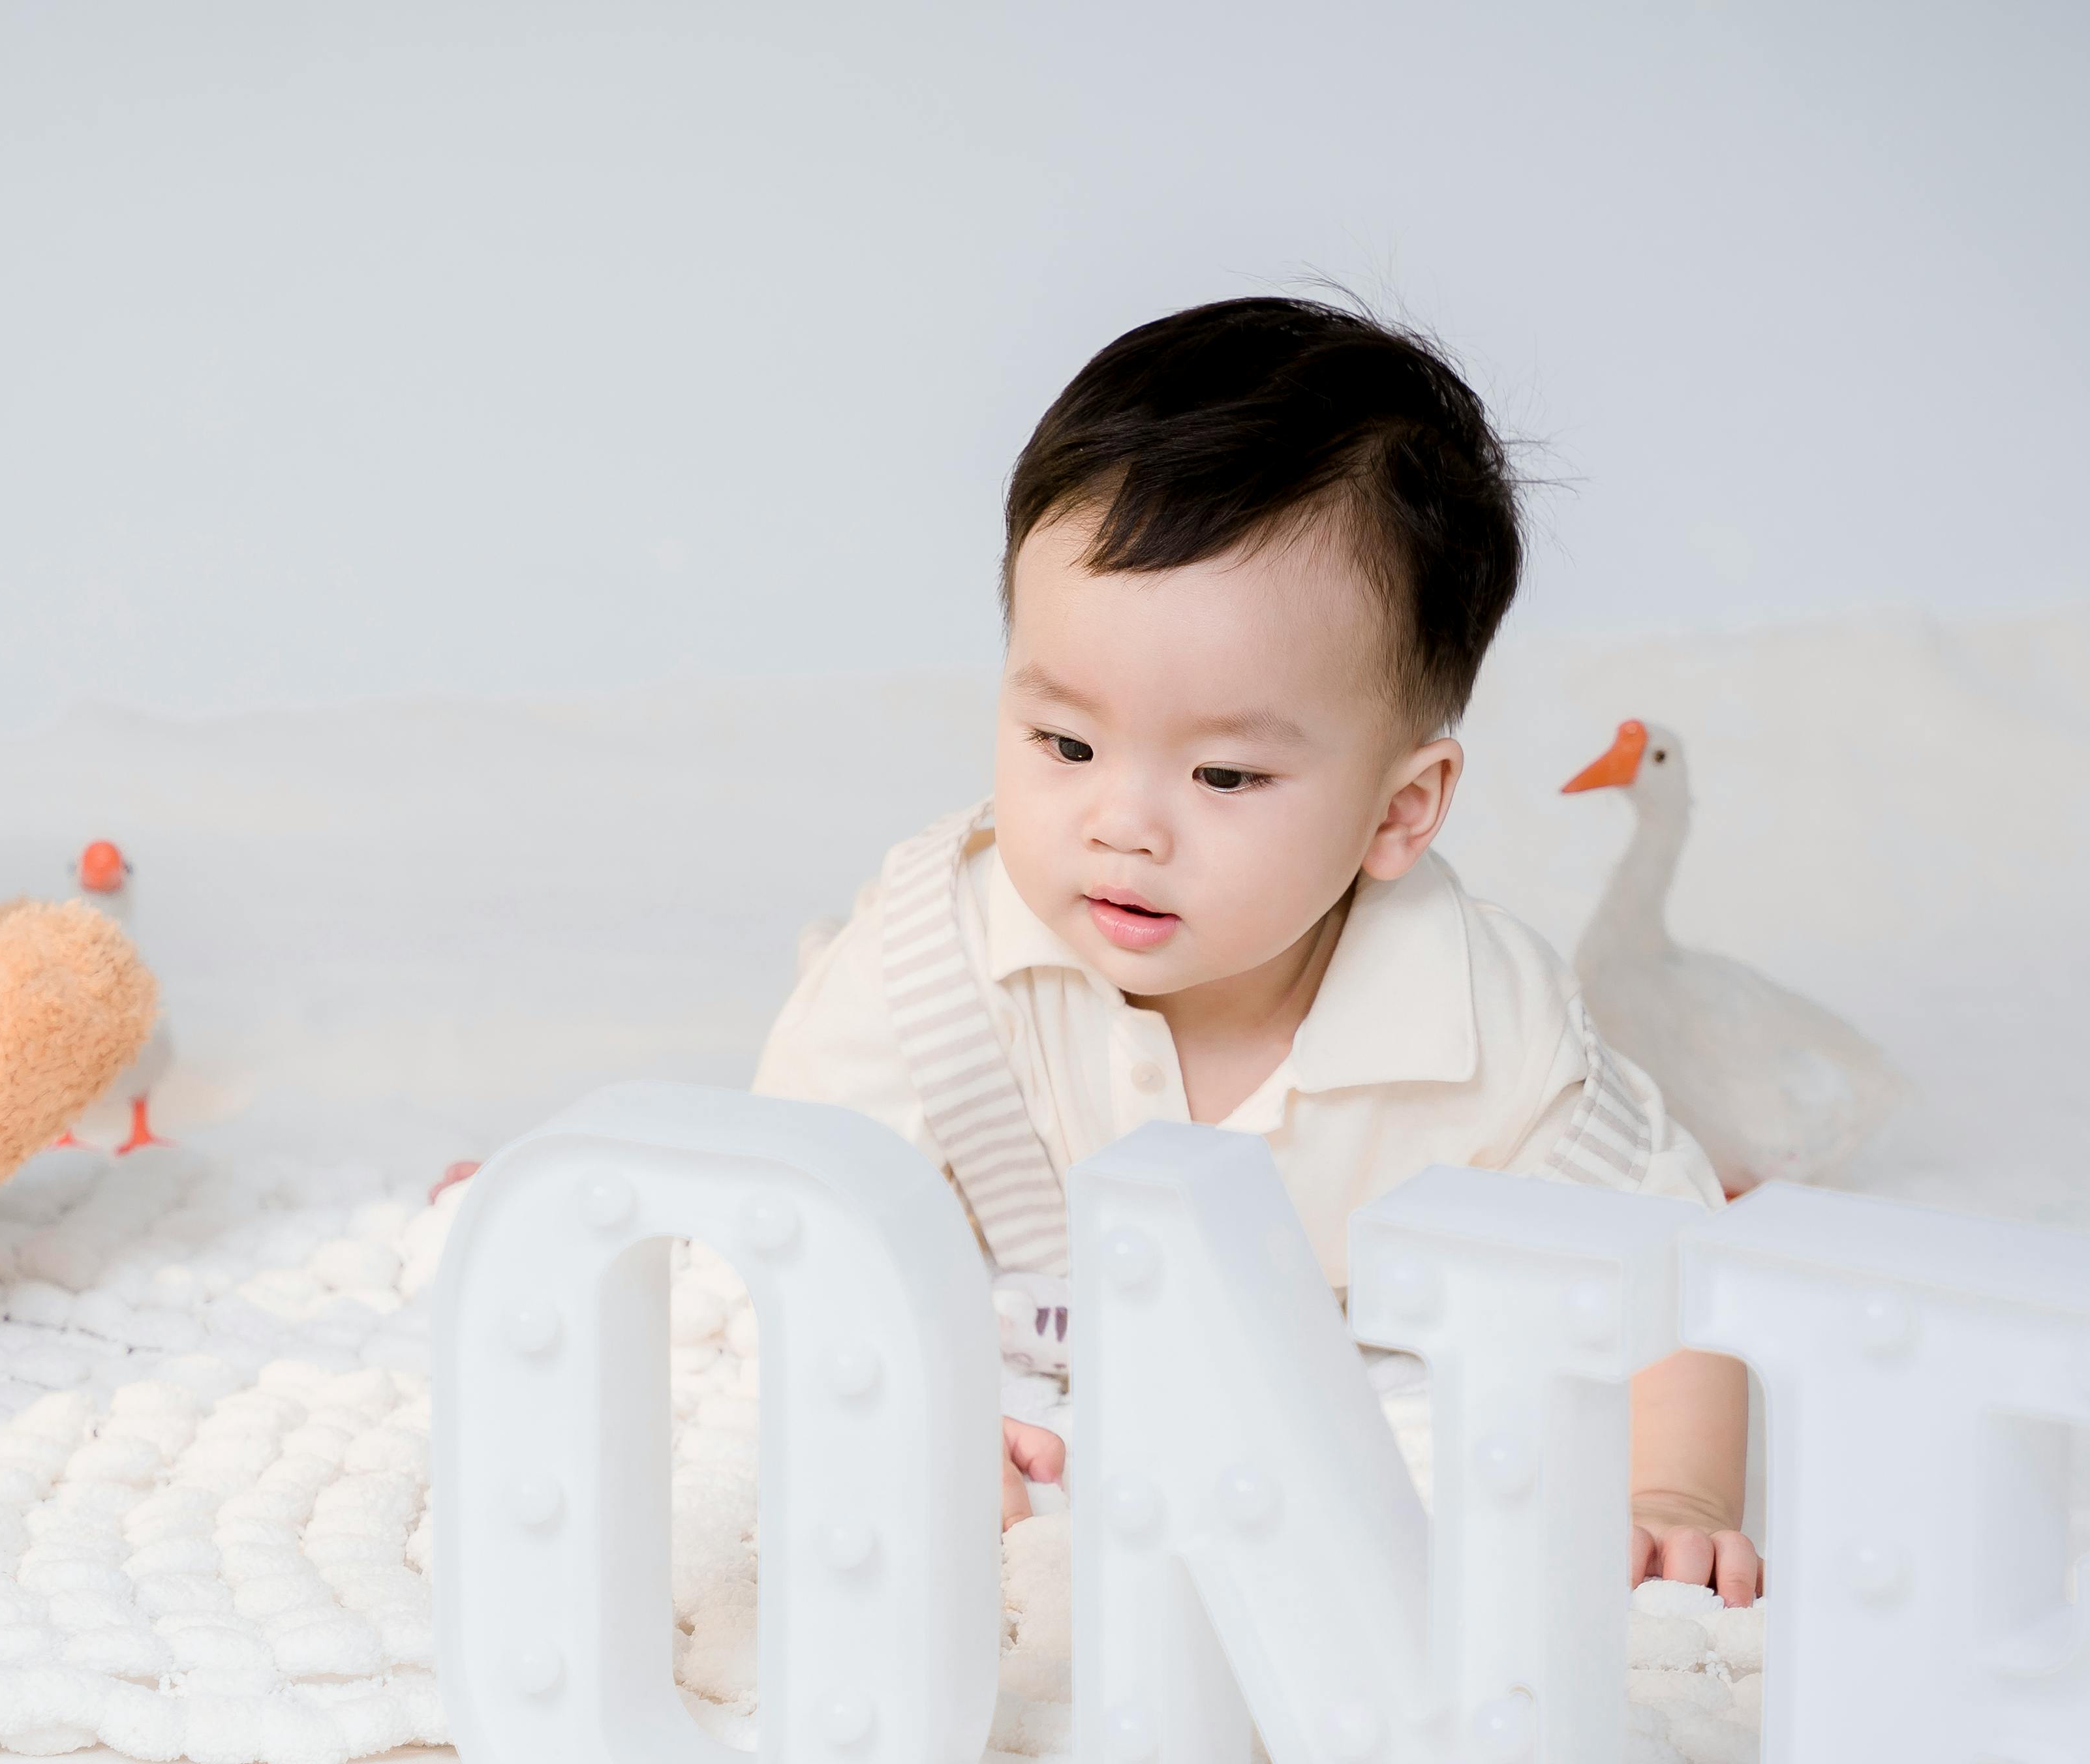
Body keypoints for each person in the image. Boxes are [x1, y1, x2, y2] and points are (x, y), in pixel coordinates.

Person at [753, 296, 1759, 1601]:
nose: (1121, 822)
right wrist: (899, 1401)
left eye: (1224, 773)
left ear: (1400, 809)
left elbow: (1665, 1276)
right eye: (1064, 742)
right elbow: (787, 1226)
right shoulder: (929, 965)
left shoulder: (1478, 1021)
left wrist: (1669, 1489)